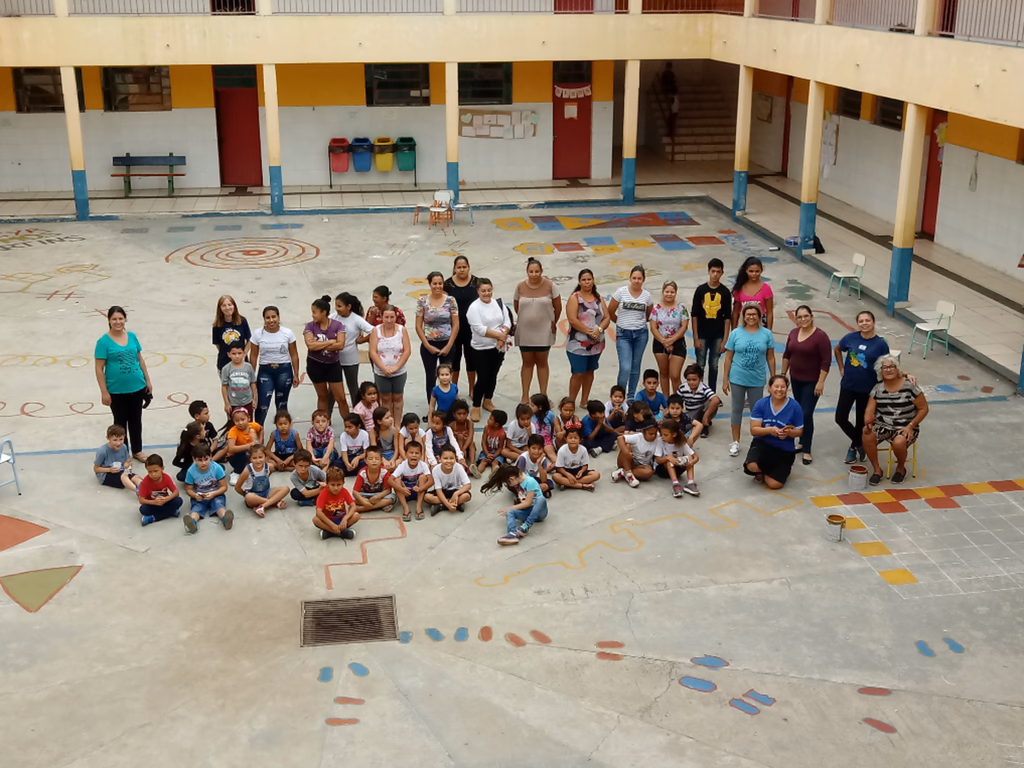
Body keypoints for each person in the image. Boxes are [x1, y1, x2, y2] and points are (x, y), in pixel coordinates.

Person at [94, 305, 152, 460]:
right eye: (114, 319)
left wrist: (147, 380)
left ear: (125, 319)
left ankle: (138, 450)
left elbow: (139, 359)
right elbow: (99, 369)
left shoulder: (132, 336)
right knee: (120, 423)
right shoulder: (103, 342)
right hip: (116, 390)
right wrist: (104, 391)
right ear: (109, 320)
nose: (118, 322)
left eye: (120, 318)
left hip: (137, 386)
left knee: (136, 421)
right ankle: (123, 452)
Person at [863, 355, 928, 486]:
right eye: (885, 367)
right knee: (866, 434)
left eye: (891, 366)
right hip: (884, 425)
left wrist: (911, 425)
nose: (888, 370)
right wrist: (868, 424)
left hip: (907, 426)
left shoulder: (909, 386)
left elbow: (924, 408)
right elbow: (869, 411)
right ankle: (877, 470)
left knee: (898, 442)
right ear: (880, 371)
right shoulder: (877, 389)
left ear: (897, 369)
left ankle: (901, 468)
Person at [834, 310, 890, 465]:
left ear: (873, 322)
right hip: (848, 385)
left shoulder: (880, 344)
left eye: (867, 320)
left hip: (868, 389)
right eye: (861, 321)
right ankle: (860, 444)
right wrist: (841, 367)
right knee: (840, 418)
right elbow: (838, 349)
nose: (864, 323)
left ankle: (853, 448)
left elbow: (887, 364)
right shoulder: (850, 338)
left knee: (861, 422)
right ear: (857, 323)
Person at [722, 303, 776, 458]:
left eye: (754, 314)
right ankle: (736, 441)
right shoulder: (736, 333)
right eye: (748, 314)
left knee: (756, 411)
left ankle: (757, 440)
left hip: (757, 378)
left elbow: (770, 357)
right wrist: (725, 379)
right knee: (736, 409)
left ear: (759, 316)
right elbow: (728, 357)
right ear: (743, 316)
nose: (751, 317)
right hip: (737, 377)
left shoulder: (766, 334)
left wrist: (773, 377)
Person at [782, 305, 831, 465]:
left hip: (812, 382)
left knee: (806, 413)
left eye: (806, 316)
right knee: (800, 412)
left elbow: (826, 361)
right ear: (795, 319)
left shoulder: (821, 336)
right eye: (800, 317)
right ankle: (802, 442)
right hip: (796, 379)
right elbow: (787, 354)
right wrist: (783, 375)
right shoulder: (793, 333)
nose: (803, 319)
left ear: (811, 316)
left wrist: (821, 381)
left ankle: (807, 449)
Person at [514, 257, 562, 403]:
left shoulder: (550, 286)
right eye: (531, 271)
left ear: (541, 271)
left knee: (542, 362)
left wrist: (553, 322)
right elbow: (517, 306)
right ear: (527, 272)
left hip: (544, 331)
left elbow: (558, 307)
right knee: (527, 363)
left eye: (537, 271)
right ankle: (524, 395)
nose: (534, 274)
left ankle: (543, 395)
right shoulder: (520, 287)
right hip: (525, 332)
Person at [743, 375, 804, 490]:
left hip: (784, 448)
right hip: (763, 444)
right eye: (776, 386)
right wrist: (770, 430)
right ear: (769, 388)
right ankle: (764, 470)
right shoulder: (761, 404)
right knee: (751, 465)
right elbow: (754, 430)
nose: (779, 390)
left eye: (783, 387)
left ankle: (768, 472)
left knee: (774, 485)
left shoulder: (795, 406)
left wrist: (789, 433)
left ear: (787, 388)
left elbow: (799, 431)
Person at [466, 278, 512, 422]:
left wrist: (502, 335)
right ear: (478, 291)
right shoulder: (474, 308)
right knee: (483, 376)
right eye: (483, 291)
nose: (487, 293)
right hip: (480, 349)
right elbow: (479, 329)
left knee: (493, 375)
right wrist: (500, 335)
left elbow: (507, 321)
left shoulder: (499, 304)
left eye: (489, 290)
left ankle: (488, 400)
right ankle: (476, 405)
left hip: (497, 348)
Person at [565, 268, 610, 408]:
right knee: (578, 372)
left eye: (589, 279)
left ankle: (584, 400)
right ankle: (570, 402)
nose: (587, 282)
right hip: (577, 344)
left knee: (590, 371)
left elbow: (607, 317)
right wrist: (589, 332)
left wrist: (599, 330)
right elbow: (572, 319)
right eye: (584, 280)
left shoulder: (598, 298)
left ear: (593, 280)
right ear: (579, 282)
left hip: (596, 344)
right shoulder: (575, 298)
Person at [608, 265, 653, 404]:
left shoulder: (647, 296)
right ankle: (619, 396)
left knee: (635, 367)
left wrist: (636, 324)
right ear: (630, 278)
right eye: (634, 278)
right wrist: (620, 323)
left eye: (639, 278)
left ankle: (631, 397)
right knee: (625, 367)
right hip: (623, 335)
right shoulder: (621, 292)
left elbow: (649, 314)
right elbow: (610, 311)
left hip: (640, 334)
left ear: (643, 279)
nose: (636, 281)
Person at [249, 305, 300, 427]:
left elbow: (294, 355)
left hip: (284, 370)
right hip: (265, 371)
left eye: (273, 317)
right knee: (262, 405)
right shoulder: (257, 334)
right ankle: (257, 434)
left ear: (278, 317)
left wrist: (296, 374)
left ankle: (283, 434)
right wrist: (251, 377)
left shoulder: (287, 333)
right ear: (264, 319)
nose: (271, 320)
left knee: (282, 404)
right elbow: (254, 356)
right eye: (268, 318)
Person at [415, 271, 460, 405]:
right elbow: (418, 326)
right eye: (434, 283)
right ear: (430, 284)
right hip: (429, 344)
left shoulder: (451, 300)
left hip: (447, 343)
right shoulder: (422, 301)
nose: (437, 286)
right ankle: (431, 409)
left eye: (440, 283)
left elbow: (456, 324)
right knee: (431, 377)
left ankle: (447, 407)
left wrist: (449, 346)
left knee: (446, 377)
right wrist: (428, 346)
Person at [690, 258, 733, 392]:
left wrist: (725, 340)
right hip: (702, 334)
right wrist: (695, 337)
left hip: (718, 335)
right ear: (708, 271)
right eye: (713, 271)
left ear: (722, 273)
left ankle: (711, 393)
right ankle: (698, 392)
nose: (715, 274)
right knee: (700, 365)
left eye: (718, 272)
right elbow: (694, 315)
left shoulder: (725, 292)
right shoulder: (700, 290)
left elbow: (727, 318)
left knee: (714, 365)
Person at [303, 295, 348, 420]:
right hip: (315, 365)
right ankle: (322, 425)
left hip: (333, 365)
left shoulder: (338, 325)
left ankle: (349, 424)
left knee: (341, 398)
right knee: (322, 396)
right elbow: (310, 346)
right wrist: (330, 342)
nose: (312, 315)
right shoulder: (310, 326)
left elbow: (340, 345)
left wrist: (320, 345)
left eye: (314, 312)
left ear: (324, 312)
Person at [483, 463, 549, 547]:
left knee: (541, 499)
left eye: (507, 483)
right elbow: (524, 502)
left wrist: (511, 507)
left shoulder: (530, 481)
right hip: (528, 511)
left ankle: (525, 527)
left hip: (539, 512)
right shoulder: (518, 482)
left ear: (512, 479)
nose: (508, 485)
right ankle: (512, 534)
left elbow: (528, 503)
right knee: (510, 512)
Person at [444, 256, 481, 396]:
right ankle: (454, 389)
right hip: (454, 327)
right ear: (454, 268)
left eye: (464, 267)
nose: (461, 270)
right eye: (459, 267)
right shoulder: (447, 284)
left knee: (471, 359)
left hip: (472, 328)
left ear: (469, 267)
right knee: (455, 359)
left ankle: (472, 389)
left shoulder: (476, 282)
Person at [330, 292, 373, 410]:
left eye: (339, 306)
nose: (336, 309)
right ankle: (327, 416)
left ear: (348, 307)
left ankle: (357, 414)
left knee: (353, 387)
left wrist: (362, 340)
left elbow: (373, 331)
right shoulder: (332, 318)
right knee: (332, 389)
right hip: (334, 359)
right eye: (336, 306)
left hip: (350, 359)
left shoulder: (356, 319)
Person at [368, 305, 412, 421]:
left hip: (399, 371)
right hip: (381, 372)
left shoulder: (402, 330)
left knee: (398, 397)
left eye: (391, 317)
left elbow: (407, 351)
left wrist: (396, 366)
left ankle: (397, 423)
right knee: (385, 398)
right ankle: (388, 423)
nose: (389, 320)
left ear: (396, 317)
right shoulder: (375, 330)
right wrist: (383, 368)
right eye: (386, 317)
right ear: (381, 317)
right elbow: (373, 352)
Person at [650, 280, 689, 396]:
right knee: (664, 373)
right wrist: (663, 341)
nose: (669, 294)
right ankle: (666, 400)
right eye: (667, 291)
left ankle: (677, 400)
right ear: (663, 292)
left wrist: (672, 339)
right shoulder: (656, 308)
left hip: (677, 342)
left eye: (672, 292)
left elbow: (684, 326)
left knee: (675, 375)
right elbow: (653, 327)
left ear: (675, 293)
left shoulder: (681, 308)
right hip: (660, 343)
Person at [183, 444, 233, 534]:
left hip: (216, 494)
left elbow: (224, 487)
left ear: (210, 457)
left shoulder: (217, 468)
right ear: (194, 459)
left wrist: (214, 494)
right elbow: (188, 489)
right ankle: (192, 522)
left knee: (219, 505)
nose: (204, 463)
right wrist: (194, 495)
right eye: (200, 460)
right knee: (196, 509)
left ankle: (226, 519)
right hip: (199, 496)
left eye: (206, 459)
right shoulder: (191, 471)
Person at [234, 444, 289, 517]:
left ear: (266, 457)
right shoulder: (247, 471)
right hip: (254, 495)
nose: (258, 460)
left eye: (260, 457)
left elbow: (268, 475)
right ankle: (274, 502)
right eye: (254, 458)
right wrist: (245, 495)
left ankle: (262, 505)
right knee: (249, 497)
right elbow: (237, 487)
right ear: (250, 459)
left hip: (267, 492)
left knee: (286, 489)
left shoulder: (270, 466)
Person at [677, 364, 721, 445]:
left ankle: (705, 423)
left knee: (711, 402)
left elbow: (716, 400)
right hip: (689, 413)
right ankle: (701, 423)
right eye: (688, 380)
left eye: (694, 379)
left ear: (700, 379)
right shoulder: (682, 388)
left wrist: (706, 416)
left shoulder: (704, 388)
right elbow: (677, 401)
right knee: (682, 428)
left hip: (702, 410)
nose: (691, 382)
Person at [390, 440, 432, 521]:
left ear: (421, 455)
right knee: (397, 480)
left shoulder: (423, 465)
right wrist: (401, 489)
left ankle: (418, 507)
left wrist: (421, 488)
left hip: (418, 492)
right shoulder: (402, 465)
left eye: (417, 453)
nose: (414, 455)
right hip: (405, 493)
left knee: (423, 477)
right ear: (406, 454)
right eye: (411, 452)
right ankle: (406, 508)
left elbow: (431, 481)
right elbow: (390, 480)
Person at [656, 420, 699, 498]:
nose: (663, 437)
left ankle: (690, 482)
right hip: (664, 469)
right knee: (669, 460)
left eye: (665, 435)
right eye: (662, 434)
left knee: (689, 457)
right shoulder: (660, 441)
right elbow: (658, 460)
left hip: (678, 467)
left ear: (674, 434)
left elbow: (695, 457)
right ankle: (675, 484)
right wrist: (667, 458)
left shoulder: (681, 441)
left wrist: (692, 462)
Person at [314, 466, 360, 540]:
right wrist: (331, 525)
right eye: (332, 485)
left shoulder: (344, 491)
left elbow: (353, 506)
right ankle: (341, 532)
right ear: (327, 483)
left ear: (343, 483)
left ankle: (330, 532)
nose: (336, 488)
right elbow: (318, 512)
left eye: (339, 485)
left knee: (356, 515)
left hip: (341, 519)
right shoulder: (323, 494)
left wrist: (345, 518)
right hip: (328, 520)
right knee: (315, 520)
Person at [93, 424, 142, 491]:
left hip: (120, 471)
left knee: (136, 477)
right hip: (106, 474)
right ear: (108, 438)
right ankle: (137, 491)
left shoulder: (124, 447)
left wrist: (127, 465)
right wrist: (109, 470)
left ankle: (145, 490)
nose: (118, 443)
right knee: (125, 476)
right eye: (115, 440)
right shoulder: (102, 451)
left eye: (121, 439)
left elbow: (125, 461)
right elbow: (96, 468)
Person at [138, 454, 182, 527]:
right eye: (150, 472)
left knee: (179, 501)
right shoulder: (146, 481)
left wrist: (167, 499)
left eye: (156, 471)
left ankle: (153, 517)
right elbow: (141, 500)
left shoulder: (166, 478)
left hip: (165, 502)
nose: (153, 474)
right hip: (153, 504)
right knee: (143, 509)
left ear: (162, 468)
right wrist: (154, 502)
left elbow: (176, 492)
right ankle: (171, 512)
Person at [612, 419, 659, 488]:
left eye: (655, 433)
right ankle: (628, 474)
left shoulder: (658, 437)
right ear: (643, 432)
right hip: (628, 461)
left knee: (649, 472)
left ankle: (624, 472)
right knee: (627, 445)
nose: (653, 436)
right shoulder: (638, 437)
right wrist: (626, 453)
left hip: (641, 466)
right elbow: (620, 438)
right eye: (651, 434)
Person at [426, 445, 472, 515]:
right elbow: (438, 490)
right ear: (439, 459)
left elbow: (468, 485)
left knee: (467, 496)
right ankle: (455, 504)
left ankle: (441, 506)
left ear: (456, 459)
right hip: (442, 491)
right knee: (427, 497)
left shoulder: (459, 467)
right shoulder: (436, 470)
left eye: (451, 458)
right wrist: (448, 504)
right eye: (445, 458)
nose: (449, 461)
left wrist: (456, 493)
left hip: (456, 490)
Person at [212, 295, 251, 375]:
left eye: (230, 304)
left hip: (242, 363)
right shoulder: (217, 326)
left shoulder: (242, 321)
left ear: (234, 306)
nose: (227, 308)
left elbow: (249, 339)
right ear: (220, 309)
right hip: (224, 363)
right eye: (224, 305)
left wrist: (243, 354)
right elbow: (218, 345)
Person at [731, 257, 774, 330]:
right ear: (746, 271)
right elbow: (735, 312)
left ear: (761, 271)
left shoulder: (766, 288)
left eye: (757, 271)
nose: (754, 274)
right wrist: (733, 331)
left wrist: (769, 332)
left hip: (760, 326)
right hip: (743, 325)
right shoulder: (739, 288)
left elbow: (769, 313)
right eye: (751, 271)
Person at [352, 446, 395, 513]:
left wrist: (378, 496)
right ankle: (379, 505)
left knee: (392, 498)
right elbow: (355, 491)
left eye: (377, 459)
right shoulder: (362, 473)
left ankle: (363, 508)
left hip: (379, 495)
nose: (374, 461)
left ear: (381, 460)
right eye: (370, 459)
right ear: (366, 460)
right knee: (353, 499)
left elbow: (388, 490)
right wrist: (363, 501)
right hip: (365, 495)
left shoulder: (385, 471)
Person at [220, 340, 257, 419]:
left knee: (248, 424)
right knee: (234, 425)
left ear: (244, 353)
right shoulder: (226, 369)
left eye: (239, 353)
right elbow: (224, 386)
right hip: (233, 403)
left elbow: (253, 383)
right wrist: (227, 403)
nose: (237, 356)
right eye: (234, 353)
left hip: (248, 402)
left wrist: (254, 399)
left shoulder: (248, 367)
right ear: (229, 354)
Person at [225, 408, 262, 477]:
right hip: (235, 457)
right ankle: (236, 473)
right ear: (233, 421)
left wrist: (260, 441)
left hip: (250, 455)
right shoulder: (233, 431)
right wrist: (248, 446)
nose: (240, 423)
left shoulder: (253, 426)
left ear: (248, 418)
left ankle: (252, 469)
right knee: (246, 453)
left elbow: (261, 429)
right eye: (237, 421)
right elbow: (231, 448)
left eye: (243, 419)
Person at [477, 409, 508, 477]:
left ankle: (495, 473)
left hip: (497, 453)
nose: (488, 420)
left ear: (496, 424)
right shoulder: (486, 428)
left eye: (490, 419)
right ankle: (477, 472)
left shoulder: (502, 434)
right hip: (487, 451)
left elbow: (500, 448)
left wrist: (494, 456)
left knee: (495, 462)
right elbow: (483, 442)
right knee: (483, 461)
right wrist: (487, 454)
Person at [530, 393, 558, 463]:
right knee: (533, 455)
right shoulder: (529, 415)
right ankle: (545, 462)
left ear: (540, 407)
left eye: (532, 405)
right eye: (529, 405)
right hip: (534, 439)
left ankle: (559, 466)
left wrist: (551, 436)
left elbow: (552, 425)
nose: (530, 407)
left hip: (545, 439)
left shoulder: (549, 414)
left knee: (551, 454)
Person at [450, 399, 476, 471]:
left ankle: (472, 465)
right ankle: (463, 463)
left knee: (472, 444)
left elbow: (470, 436)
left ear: (467, 413)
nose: (462, 416)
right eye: (459, 414)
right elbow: (450, 439)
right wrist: (460, 450)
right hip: (457, 447)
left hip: (466, 445)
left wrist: (464, 448)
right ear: (454, 414)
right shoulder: (452, 425)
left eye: (464, 413)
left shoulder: (469, 423)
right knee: (460, 437)